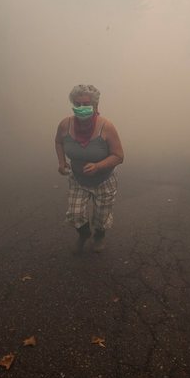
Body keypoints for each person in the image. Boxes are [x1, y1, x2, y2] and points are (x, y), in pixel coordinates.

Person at [55, 85, 124, 254]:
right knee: (75, 213)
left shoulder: (106, 127)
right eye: (77, 104)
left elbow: (118, 156)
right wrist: (62, 162)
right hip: (78, 178)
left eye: (85, 104)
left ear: (95, 105)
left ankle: (99, 236)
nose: (81, 108)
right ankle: (84, 234)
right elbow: (58, 141)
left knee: (101, 216)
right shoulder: (65, 124)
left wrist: (99, 166)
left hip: (104, 179)